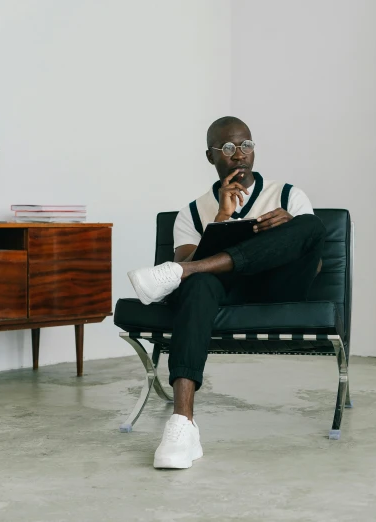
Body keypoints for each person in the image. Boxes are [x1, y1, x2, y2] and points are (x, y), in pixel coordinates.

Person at [127, 116, 326, 469]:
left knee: (308, 224)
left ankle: (187, 270)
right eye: (229, 148)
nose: (239, 155)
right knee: (197, 281)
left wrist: (287, 230)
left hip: (279, 288)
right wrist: (220, 218)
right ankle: (183, 424)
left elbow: (316, 262)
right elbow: (184, 269)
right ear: (210, 156)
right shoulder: (192, 212)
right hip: (223, 292)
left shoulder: (287, 194)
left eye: (245, 146)